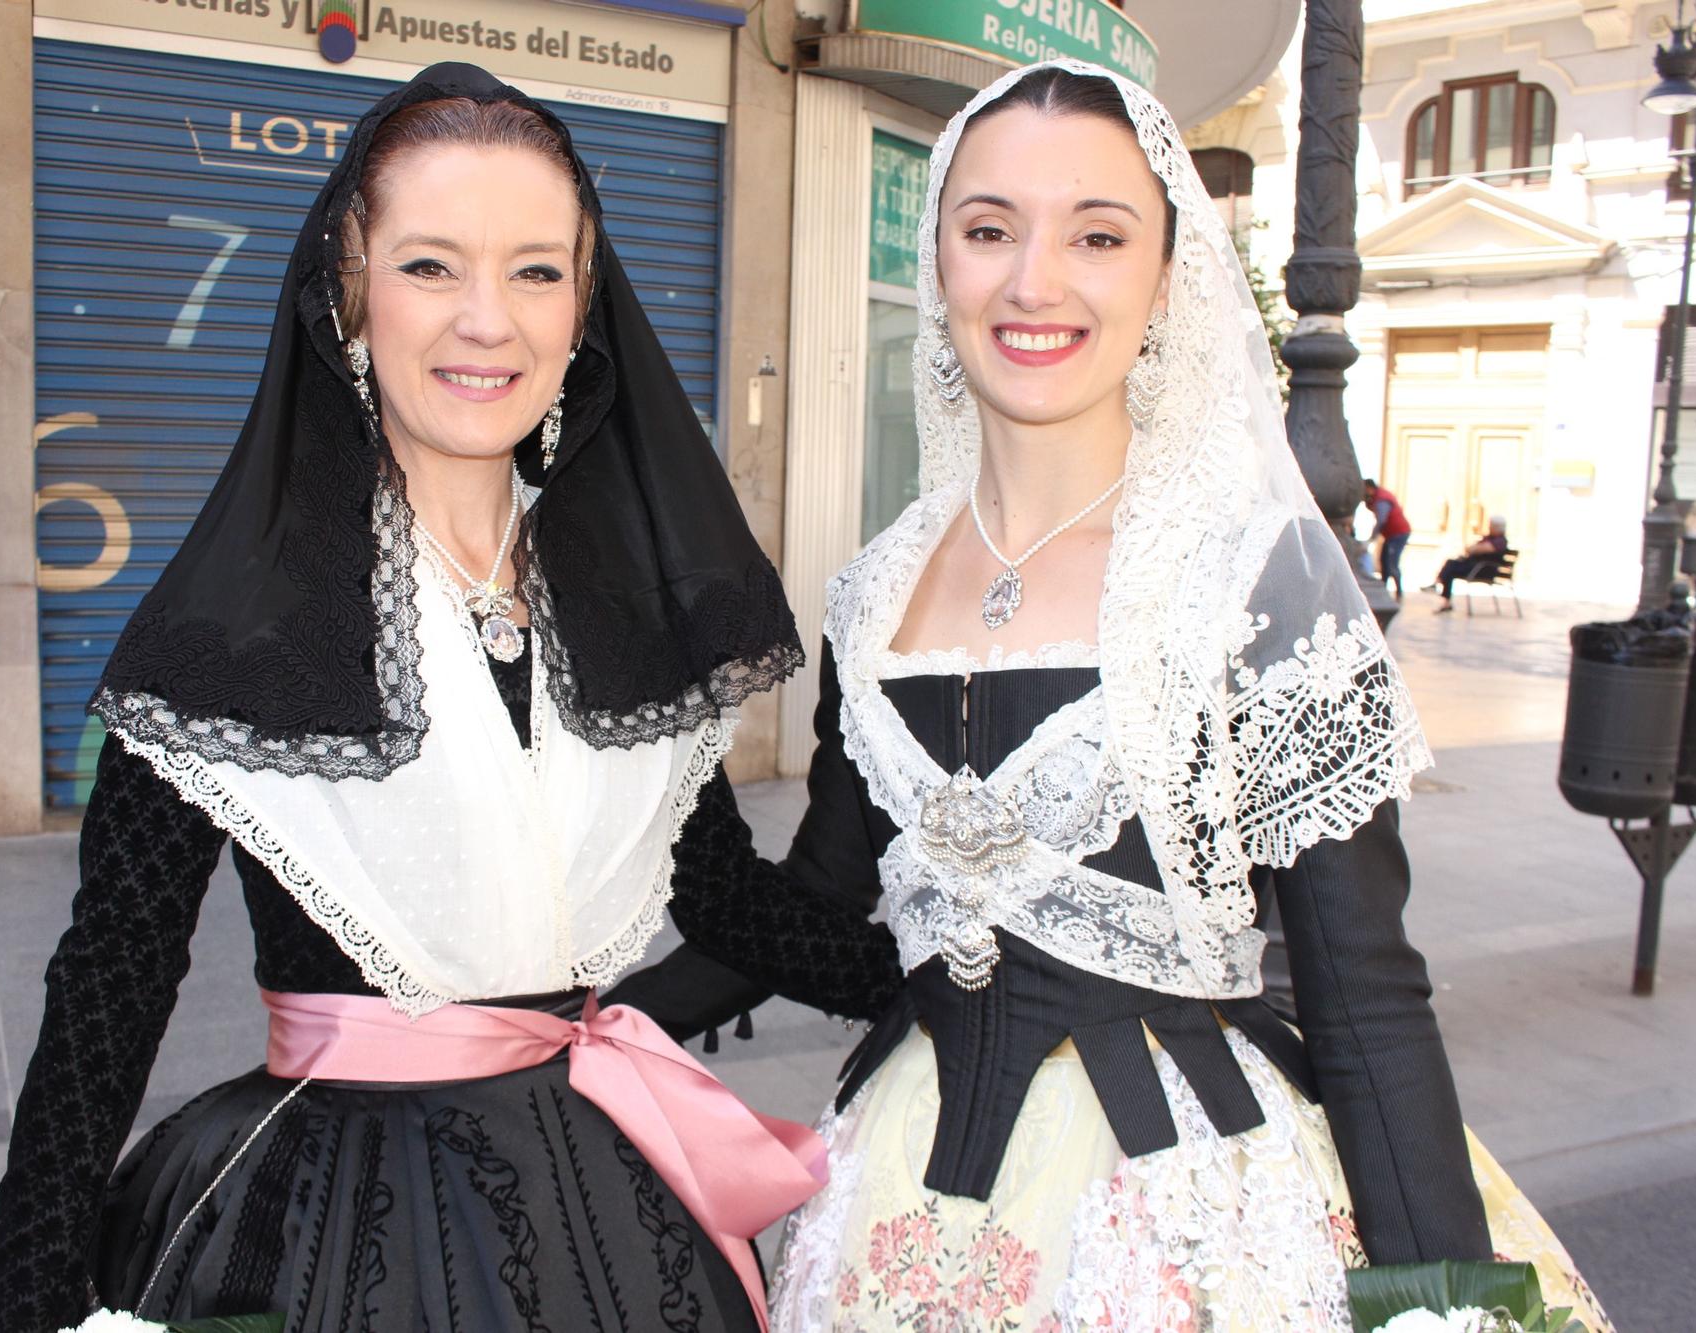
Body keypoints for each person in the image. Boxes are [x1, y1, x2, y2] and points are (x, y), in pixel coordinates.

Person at [610, 61, 1608, 1332]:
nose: (1034, 281)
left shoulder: (1254, 573)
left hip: (1189, 1221)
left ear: (1163, 275)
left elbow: (1361, 989)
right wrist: (582, 1032)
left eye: (1095, 234)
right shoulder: (871, 590)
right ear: (940, 266)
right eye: (988, 230)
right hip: (903, 1200)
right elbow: (818, 908)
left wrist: (1442, 1301)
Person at [0, 64, 826, 1333]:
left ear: (583, 307)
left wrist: (952, 979)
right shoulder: (238, 625)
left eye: (536, 269)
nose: (488, 320)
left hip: (599, 1195)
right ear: (349, 297)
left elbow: (715, 891)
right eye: (430, 265)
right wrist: (23, 1300)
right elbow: (110, 985)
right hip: (325, 1227)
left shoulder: (617, 606)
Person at [1428, 516, 1510, 611]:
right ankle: (1444, 598)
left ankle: (1437, 583)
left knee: (1451, 566)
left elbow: (1478, 548)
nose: (1489, 528)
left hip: (1482, 570)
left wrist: (1475, 548)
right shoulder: (1490, 538)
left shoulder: (1499, 541)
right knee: (1451, 566)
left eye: (1491, 526)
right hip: (1476, 567)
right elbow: (1470, 549)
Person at [1365, 477, 1413, 599]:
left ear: (1369, 488)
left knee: (1392, 562)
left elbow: (1381, 519)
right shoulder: (1378, 497)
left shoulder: (1382, 499)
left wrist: (1372, 537)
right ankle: (1384, 591)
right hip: (1393, 534)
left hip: (1398, 533)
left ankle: (1398, 592)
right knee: (1384, 560)